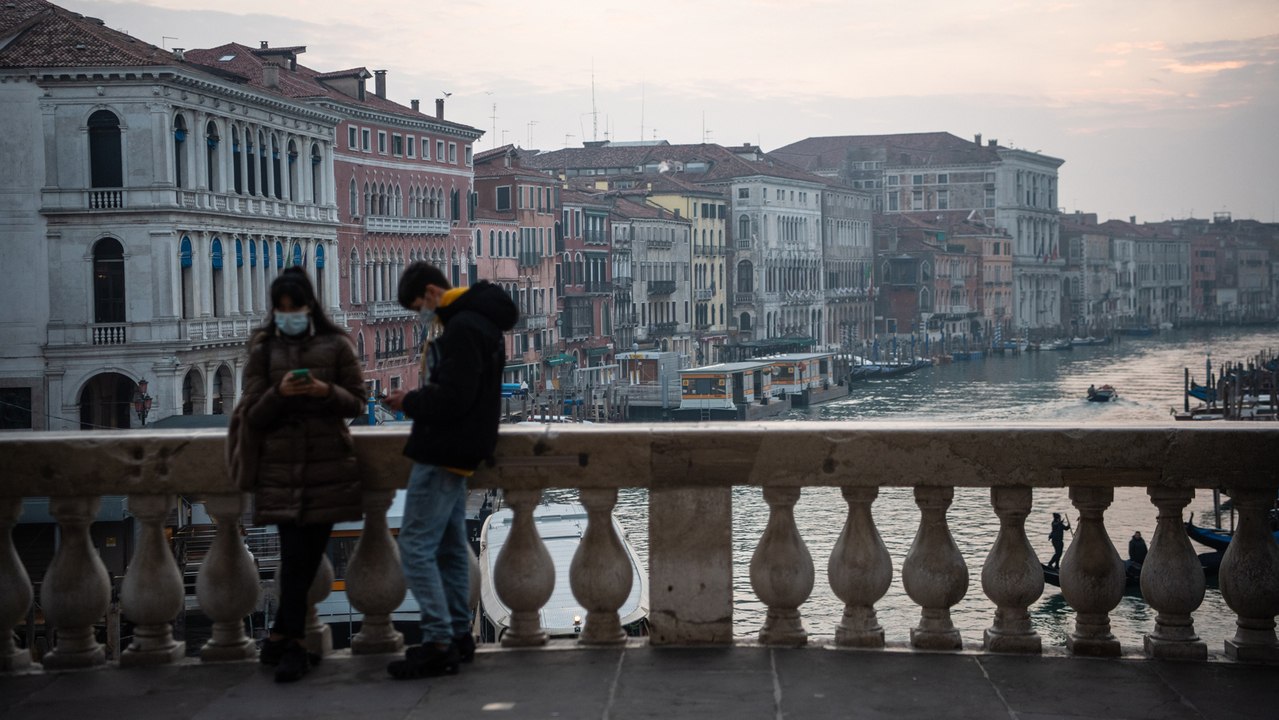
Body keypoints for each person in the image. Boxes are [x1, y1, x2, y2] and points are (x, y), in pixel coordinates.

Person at [229, 267, 366, 683]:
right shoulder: (262, 352)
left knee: (306, 560)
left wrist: (325, 392)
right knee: (295, 559)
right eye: (282, 309)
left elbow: (356, 403)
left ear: (310, 306)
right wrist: (279, 393)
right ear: (275, 311)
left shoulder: (337, 346)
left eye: (296, 307)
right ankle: (292, 644)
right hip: (281, 471)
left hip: (327, 468)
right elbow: (252, 413)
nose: (289, 314)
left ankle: (279, 636)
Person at [384, 262, 518, 680]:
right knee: (449, 548)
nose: (417, 315)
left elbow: (453, 400)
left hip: (443, 449)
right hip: (465, 449)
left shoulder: (461, 328)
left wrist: (408, 401)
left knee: (415, 547)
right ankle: (459, 632)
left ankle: (439, 640)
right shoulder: (480, 321)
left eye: (416, 306)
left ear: (429, 292)